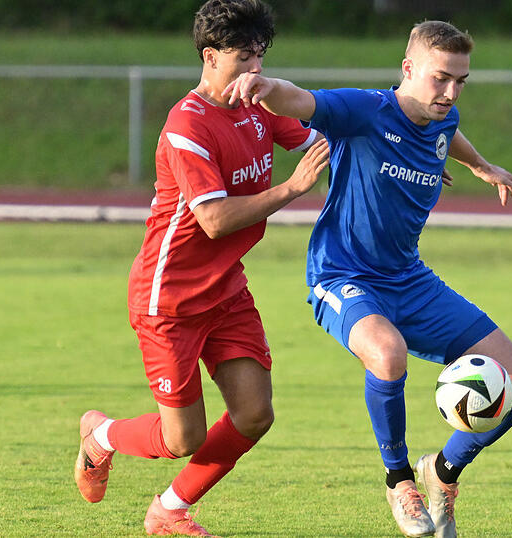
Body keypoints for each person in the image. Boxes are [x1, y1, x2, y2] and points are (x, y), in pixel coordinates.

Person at [223, 19, 512, 538]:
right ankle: (399, 481)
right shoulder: (366, 110)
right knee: (387, 354)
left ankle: (443, 472)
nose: (450, 92)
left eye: (460, 81)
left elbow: (448, 130)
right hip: (342, 274)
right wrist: (264, 87)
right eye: (440, 78)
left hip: (409, 279)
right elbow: (300, 100)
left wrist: (482, 166)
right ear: (407, 69)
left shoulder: (442, 116)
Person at [72, 1, 328, 536]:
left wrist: (410, 158)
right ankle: (102, 435)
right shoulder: (186, 124)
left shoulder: (259, 105)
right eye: (243, 58)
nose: (255, 70)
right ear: (210, 57)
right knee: (181, 439)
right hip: (169, 299)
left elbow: (326, 146)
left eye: (261, 57)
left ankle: (168, 511)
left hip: (226, 289)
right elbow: (212, 220)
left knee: (255, 414)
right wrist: (291, 189)